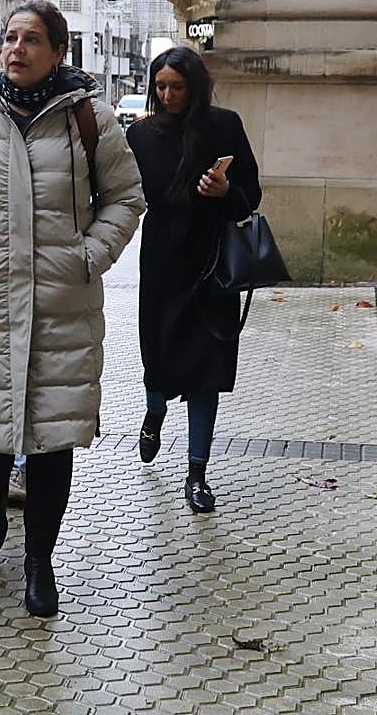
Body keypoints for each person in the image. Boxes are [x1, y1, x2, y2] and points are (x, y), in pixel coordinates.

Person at [0, 0, 145, 618]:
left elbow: (127, 198)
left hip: (60, 305)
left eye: (31, 39)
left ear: (59, 52)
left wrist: (89, 255)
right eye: (9, 38)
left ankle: (40, 561)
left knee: (51, 441)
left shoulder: (90, 121)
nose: (16, 49)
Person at [127, 46, 261, 513]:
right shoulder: (140, 135)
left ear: (195, 86)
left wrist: (227, 192)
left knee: (208, 368)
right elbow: (122, 194)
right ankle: (155, 411)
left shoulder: (224, 125)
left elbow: (252, 194)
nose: (167, 95)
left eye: (177, 87)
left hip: (213, 260)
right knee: (159, 357)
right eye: (160, 87)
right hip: (163, 261)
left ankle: (197, 473)